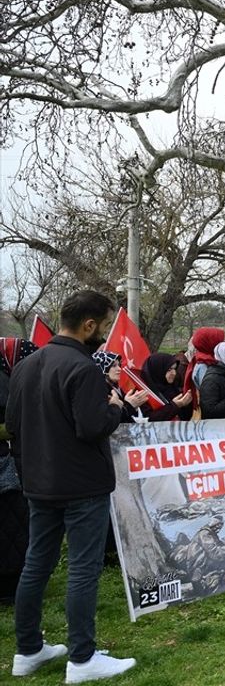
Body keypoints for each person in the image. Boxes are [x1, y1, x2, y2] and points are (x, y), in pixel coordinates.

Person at [5, 290, 137, 681]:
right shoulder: (83, 369)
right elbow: (92, 427)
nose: (106, 335)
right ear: (88, 325)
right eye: (104, 326)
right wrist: (114, 408)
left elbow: (13, 424)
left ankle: (28, 649)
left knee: (36, 564)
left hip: (39, 483)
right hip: (81, 486)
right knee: (82, 569)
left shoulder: (25, 366)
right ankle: (82, 658)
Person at [0, 338, 38, 605]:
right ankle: (10, 585)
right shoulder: (4, 381)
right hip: (6, 467)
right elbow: (10, 422)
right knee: (11, 525)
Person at [92, 352, 149, 423]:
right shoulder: (99, 391)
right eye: (114, 366)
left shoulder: (115, 388)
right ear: (102, 367)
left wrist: (134, 405)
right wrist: (129, 405)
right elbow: (106, 420)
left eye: (119, 365)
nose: (119, 369)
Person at [139, 353, 194, 422]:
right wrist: (175, 406)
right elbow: (149, 419)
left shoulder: (171, 387)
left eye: (174, 369)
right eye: (169, 370)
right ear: (157, 370)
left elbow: (185, 417)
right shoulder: (142, 393)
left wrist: (186, 403)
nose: (174, 373)